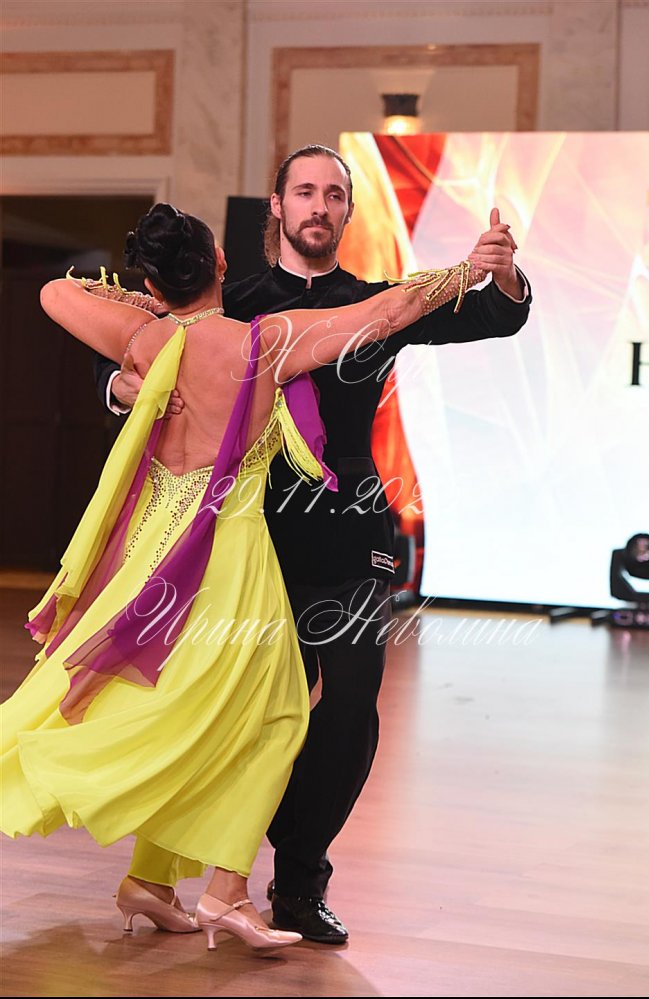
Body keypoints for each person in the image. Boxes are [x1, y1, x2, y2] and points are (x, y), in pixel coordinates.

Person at [1, 203, 483, 953]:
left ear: (153, 280)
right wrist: (468, 271)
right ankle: (226, 893)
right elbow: (387, 312)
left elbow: (55, 292)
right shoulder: (264, 342)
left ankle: (151, 881)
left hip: (153, 557)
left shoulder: (144, 340)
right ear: (222, 262)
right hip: (227, 557)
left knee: (170, 708)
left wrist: (143, 322)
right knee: (278, 718)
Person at [94, 146, 532, 944]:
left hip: (351, 531)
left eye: (334, 193)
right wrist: (122, 388)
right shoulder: (230, 303)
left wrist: (501, 273)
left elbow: (495, 317)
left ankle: (296, 876)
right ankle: (187, 873)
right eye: (305, 192)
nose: (319, 206)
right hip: (252, 534)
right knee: (249, 710)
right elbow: (137, 360)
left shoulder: (374, 303)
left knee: (354, 702)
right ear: (278, 205)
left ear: (347, 211)